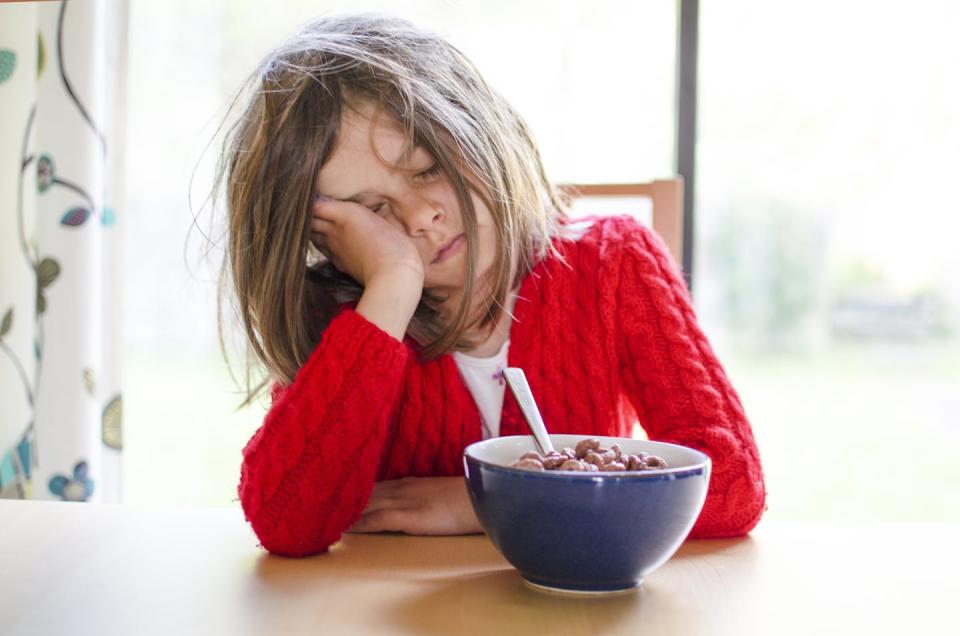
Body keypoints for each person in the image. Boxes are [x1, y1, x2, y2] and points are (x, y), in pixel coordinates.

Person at [215, 13, 766, 557]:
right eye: (374, 211)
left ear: (481, 131)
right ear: (328, 241)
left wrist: (491, 500)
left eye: (427, 168)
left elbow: (733, 486)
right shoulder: (349, 318)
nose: (420, 217)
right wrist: (392, 289)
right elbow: (286, 520)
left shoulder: (615, 264)